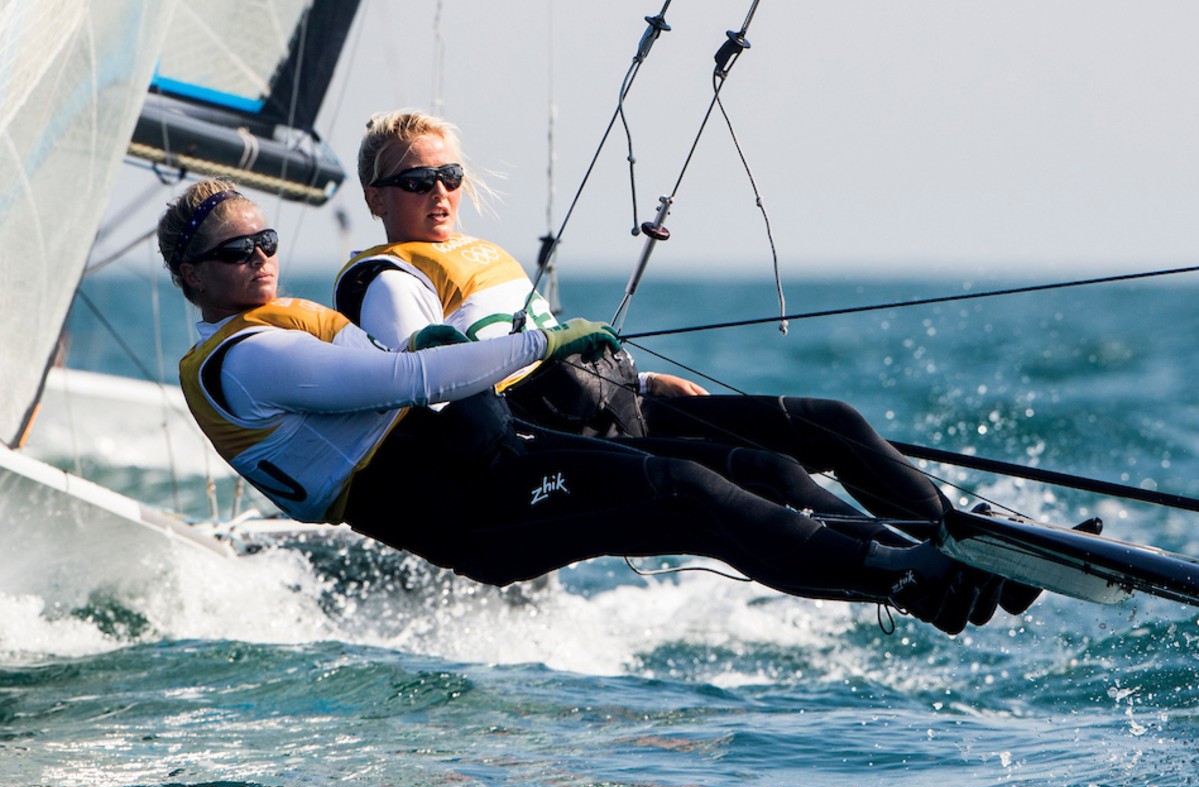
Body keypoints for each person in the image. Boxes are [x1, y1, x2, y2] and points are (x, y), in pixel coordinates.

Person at [163, 178, 1018, 636]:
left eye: (266, 240)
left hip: (500, 466)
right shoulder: (250, 357)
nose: (259, 258)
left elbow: (412, 363)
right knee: (687, 490)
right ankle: (912, 575)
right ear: (191, 275)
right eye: (234, 252)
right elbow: (414, 383)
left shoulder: (276, 322)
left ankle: (922, 574)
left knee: (721, 485)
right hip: (470, 513)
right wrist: (547, 343)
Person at [331, 110, 1040, 624]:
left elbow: (535, 336)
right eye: (416, 180)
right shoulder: (385, 277)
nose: (439, 192)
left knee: (826, 424)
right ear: (375, 197)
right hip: (553, 435)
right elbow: (428, 381)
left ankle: (954, 540)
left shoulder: (478, 253)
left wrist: (640, 383)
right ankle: (909, 570)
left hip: (618, 404)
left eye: (449, 175)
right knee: (757, 478)